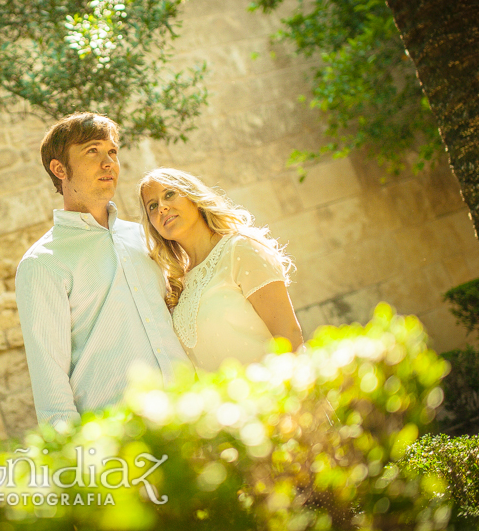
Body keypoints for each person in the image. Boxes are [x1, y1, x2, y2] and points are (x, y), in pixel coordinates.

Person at [15, 113, 191, 428]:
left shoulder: (143, 236)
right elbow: (49, 380)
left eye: (112, 152)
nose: (108, 162)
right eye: (92, 151)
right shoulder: (42, 263)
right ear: (59, 169)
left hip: (193, 414)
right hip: (122, 441)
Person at [138, 168, 303, 372]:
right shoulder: (177, 286)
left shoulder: (239, 249)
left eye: (169, 194)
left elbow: (290, 336)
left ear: (193, 197)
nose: (161, 207)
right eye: (152, 206)